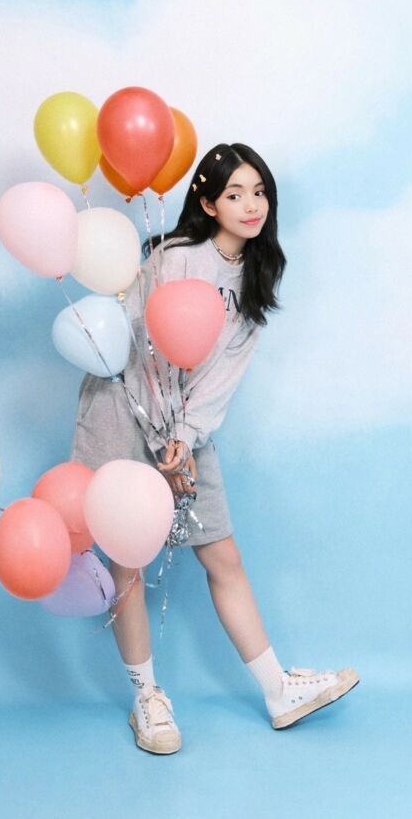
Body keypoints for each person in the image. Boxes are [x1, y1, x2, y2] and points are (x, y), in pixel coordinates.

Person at [71, 143, 359, 755]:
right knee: (128, 558)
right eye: (234, 194)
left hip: (182, 428)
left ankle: (278, 690)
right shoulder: (175, 259)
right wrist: (163, 440)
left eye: (259, 192)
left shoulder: (256, 275)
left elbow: (222, 375)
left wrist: (185, 439)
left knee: (222, 555)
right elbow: (137, 351)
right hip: (123, 409)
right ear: (207, 204)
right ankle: (146, 700)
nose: (251, 205)